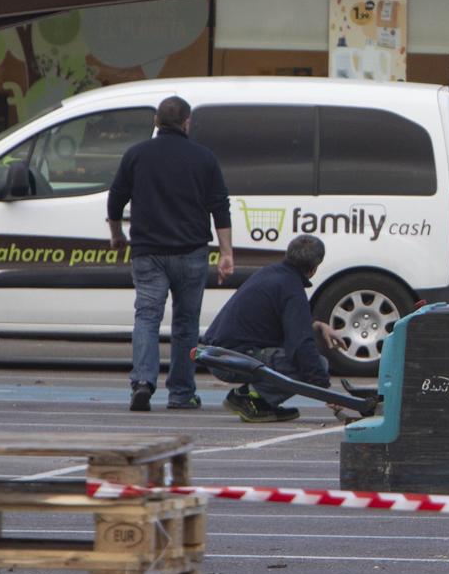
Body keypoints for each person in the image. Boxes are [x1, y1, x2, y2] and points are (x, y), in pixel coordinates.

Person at [108, 96, 232, 413]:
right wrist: (226, 252)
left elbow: (116, 198)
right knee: (186, 324)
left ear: (156, 122)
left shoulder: (136, 154)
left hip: (148, 253)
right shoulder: (204, 157)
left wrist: (117, 235)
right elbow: (219, 206)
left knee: (147, 318)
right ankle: (181, 393)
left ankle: (142, 383)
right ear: (187, 122)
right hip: (191, 253)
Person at [201, 234, 346, 423]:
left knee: (305, 361)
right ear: (314, 268)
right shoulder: (292, 289)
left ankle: (256, 398)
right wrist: (324, 389)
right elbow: (301, 346)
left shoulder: (272, 274)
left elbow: (280, 322)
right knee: (317, 363)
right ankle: (249, 398)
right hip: (234, 359)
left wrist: (318, 326)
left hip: (218, 354)